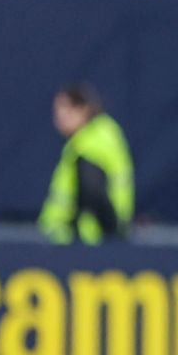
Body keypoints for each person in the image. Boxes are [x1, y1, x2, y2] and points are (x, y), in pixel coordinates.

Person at [38, 83, 133, 244]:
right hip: (88, 241)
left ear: (83, 110)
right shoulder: (94, 136)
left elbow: (92, 191)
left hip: (87, 242)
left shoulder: (91, 142)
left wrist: (107, 234)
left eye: (65, 112)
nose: (58, 120)